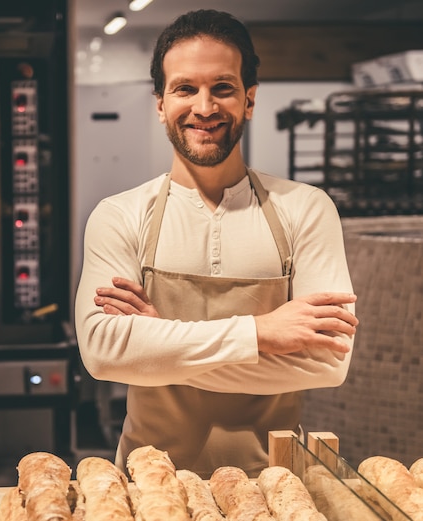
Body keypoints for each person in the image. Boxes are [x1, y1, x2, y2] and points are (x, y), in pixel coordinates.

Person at [74, 9, 358, 478]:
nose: (204, 107)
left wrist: (157, 348)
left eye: (222, 88)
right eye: (185, 88)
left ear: (248, 100)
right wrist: (261, 334)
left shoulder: (306, 209)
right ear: (160, 103)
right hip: (147, 485)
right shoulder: (120, 214)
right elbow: (104, 352)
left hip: (274, 485)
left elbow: (327, 362)